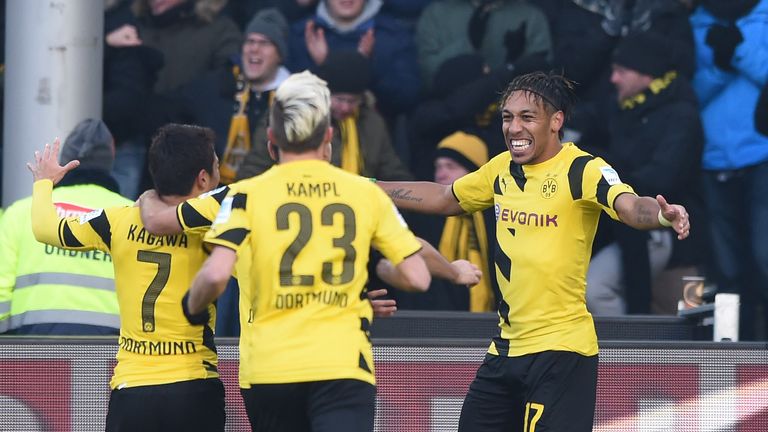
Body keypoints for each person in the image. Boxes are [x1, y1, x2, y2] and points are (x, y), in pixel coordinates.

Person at [376, 71, 691, 431]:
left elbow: (631, 207)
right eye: (507, 117)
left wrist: (664, 217)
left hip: (561, 352)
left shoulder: (583, 169)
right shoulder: (500, 170)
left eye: (527, 117)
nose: (513, 128)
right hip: (505, 350)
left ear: (556, 120)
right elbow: (445, 197)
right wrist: (372, 187)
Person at [181, 71, 430, 431]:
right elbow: (417, 276)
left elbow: (218, 273)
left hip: (271, 368)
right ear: (328, 136)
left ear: (271, 140)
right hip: (342, 364)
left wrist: (193, 305)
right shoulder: (364, 192)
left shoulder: (245, 194)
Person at [28, 124, 225, 431]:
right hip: (193, 383)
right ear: (202, 180)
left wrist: (44, 183)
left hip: (132, 389)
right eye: (216, 168)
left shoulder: (116, 220)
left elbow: (44, 228)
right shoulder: (217, 225)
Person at [586, 31, 705, 315]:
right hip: (629, 237)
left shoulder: (682, 116)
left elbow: (663, 177)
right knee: (596, 291)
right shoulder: (621, 109)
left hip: (680, 249)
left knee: (692, 320)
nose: (613, 79)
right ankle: (623, 356)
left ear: (647, 75)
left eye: (622, 71)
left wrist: (617, 180)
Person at [0, 119, 132, 335]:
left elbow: (1, 291)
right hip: (111, 349)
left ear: (64, 159)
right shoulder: (131, 213)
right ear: (112, 154)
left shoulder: (20, 212)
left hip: (31, 347)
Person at [690, 0, 768, 340]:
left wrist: (738, 51)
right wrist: (721, 67)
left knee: (764, 258)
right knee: (728, 269)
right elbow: (690, 94)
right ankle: (738, 356)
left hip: (762, 156)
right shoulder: (696, 24)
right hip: (715, 161)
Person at [238, 50, 412, 180]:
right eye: (339, 99)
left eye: (352, 101)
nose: (345, 107)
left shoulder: (371, 124)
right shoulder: (291, 114)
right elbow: (256, 165)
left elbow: (392, 171)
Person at [396, 131, 499, 311]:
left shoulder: (500, 214)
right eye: (438, 167)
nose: (441, 174)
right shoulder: (423, 216)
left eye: (451, 166)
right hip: (436, 324)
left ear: (474, 172)